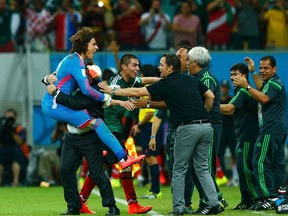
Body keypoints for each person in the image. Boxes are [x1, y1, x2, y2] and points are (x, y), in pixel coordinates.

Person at [99, 54, 224, 215]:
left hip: (187, 128)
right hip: (206, 127)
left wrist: (111, 90)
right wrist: (204, 112)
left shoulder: (167, 83)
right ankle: (215, 203)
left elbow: (138, 90)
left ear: (170, 68)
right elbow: (211, 96)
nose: (159, 68)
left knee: (178, 169)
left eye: (162, 65)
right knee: (202, 169)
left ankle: (178, 209)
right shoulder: (192, 79)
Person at [47, 54, 157, 214]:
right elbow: (107, 98)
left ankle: (82, 200)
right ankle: (132, 204)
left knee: (100, 167)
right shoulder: (112, 84)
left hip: (113, 128)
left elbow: (145, 82)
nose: (137, 69)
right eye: (134, 65)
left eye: (138, 66)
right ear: (124, 67)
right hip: (108, 128)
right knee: (122, 164)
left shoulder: (130, 80)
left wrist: (166, 81)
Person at [41, 27, 145, 170]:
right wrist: (105, 96)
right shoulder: (76, 62)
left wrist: (46, 79)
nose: (97, 47)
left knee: (96, 123)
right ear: (85, 45)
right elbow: (86, 90)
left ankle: (122, 158)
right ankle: (122, 159)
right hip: (55, 104)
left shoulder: (72, 59)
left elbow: (56, 77)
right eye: (94, 44)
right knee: (97, 123)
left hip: (56, 101)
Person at [232, 56, 287, 210]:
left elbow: (263, 98)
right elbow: (262, 88)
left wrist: (247, 87)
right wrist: (253, 71)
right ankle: (281, 198)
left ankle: (269, 197)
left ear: (274, 69)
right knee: (276, 165)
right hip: (277, 129)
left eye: (266, 68)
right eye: (261, 67)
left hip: (270, 129)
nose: (263, 71)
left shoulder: (275, 83)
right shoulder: (271, 83)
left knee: (260, 163)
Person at [187, 46, 227, 212]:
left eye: (189, 60)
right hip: (204, 125)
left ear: (196, 62)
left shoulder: (206, 79)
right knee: (198, 165)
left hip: (210, 125)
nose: (187, 63)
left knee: (205, 166)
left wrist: (200, 117)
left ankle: (209, 203)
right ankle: (214, 199)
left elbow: (207, 101)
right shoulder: (198, 77)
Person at [220, 63, 259, 209]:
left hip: (248, 135)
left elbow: (229, 108)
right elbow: (230, 111)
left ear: (244, 75)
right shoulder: (239, 92)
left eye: (235, 74)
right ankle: (246, 199)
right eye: (231, 75)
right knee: (243, 169)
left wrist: (207, 106)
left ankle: (254, 199)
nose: (232, 78)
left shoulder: (244, 91)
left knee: (246, 169)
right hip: (242, 134)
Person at [218, 80, 236, 186]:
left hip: (231, 129)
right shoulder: (218, 100)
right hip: (222, 129)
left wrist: (223, 110)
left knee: (235, 153)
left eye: (226, 87)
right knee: (220, 154)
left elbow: (233, 112)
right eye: (222, 87)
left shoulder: (232, 100)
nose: (224, 89)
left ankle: (235, 176)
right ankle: (225, 177)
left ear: (228, 89)